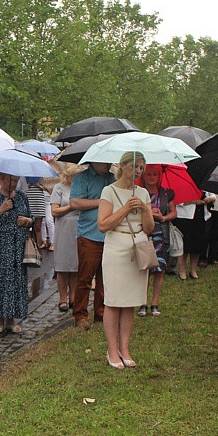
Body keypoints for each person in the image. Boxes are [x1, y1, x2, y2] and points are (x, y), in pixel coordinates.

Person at [97, 151, 154, 369]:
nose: (138, 172)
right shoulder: (109, 190)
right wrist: (125, 209)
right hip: (116, 248)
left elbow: (149, 228)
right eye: (135, 167)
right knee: (113, 301)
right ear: (123, 166)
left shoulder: (143, 193)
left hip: (137, 247)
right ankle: (111, 350)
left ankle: (125, 348)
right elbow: (102, 224)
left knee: (130, 302)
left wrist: (143, 209)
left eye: (142, 168)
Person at [0, 172, 33, 333]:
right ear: (1, 179)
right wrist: (1, 209)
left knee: (15, 281)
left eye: (16, 180)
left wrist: (27, 221)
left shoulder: (22, 196)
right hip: (0, 245)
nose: (13, 183)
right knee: (0, 280)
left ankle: (11, 319)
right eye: (10, 180)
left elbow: (31, 219)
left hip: (18, 244)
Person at [69, 161, 114, 329]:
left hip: (109, 235)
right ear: (94, 161)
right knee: (85, 277)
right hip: (89, 235)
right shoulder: (82, 178)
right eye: (104, 161)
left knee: (106, 279)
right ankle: (80, 315)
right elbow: (75, 203)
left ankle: (101, 313)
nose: (108, 164)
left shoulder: (113, 179)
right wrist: (100, 202)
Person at [138, 164, 175, 316]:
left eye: (154, 175)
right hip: (144, 234)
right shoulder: (138, 193)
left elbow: (174, 213)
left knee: (159, 270)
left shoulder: (166, 193)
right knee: (144, 269)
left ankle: (155, 303)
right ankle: (142, 302)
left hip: (161, 234)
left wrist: (162, 217)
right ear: (143, 176)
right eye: (149, 175)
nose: (152, 178)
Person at [50, 163, 81, 312]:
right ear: (68, 175)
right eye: (74, 175)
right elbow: (54, 211)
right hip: (63, 227)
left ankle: (73, 298)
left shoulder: (81, 188)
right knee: (63, 265)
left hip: (78, 226)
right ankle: (62, 298)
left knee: (75, 265)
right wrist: (70, 207)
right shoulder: (59, 188)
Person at [174, 193, 213, 280]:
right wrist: (194, 201)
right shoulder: (183, 183)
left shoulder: (202, 183)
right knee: (184, 245)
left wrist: (209, 199)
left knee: (197, 244)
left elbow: (213, 195)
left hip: (200, 215)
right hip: (184, 216)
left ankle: (193, 270)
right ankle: (182, 271)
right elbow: (178, 201)